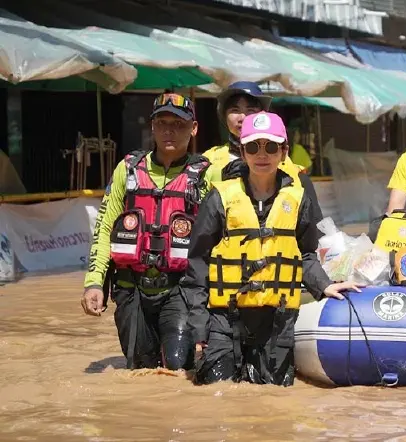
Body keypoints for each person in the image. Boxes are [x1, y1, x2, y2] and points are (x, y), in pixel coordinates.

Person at [181, 111, 360, 386]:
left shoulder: (298, 199)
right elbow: (198, 264)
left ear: (283, 151)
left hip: (277, 320)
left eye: (271, 147)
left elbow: (306, 254)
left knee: (275, 397)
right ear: (243, 152)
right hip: (225, 319)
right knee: (217, 393)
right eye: (253, 147)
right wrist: (199, 325)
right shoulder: (220, 198)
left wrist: (325, 285)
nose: (262, 154)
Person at [80, 93, 210, 371]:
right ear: (152, 126)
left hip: (182, 290)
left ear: (194, 128)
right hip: (131, 289)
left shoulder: (206, 177)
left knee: (177, 369)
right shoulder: (127, 170)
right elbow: (104, 228)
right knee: (141, 371)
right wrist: (94, 283)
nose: (169, 130)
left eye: (178, 124)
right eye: (162, 123)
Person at [204, 81, 319, 203]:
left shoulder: (287, 164)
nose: (243, 118)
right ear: (224, 116)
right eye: (235, 110)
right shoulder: (209, 161)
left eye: (250, 110)